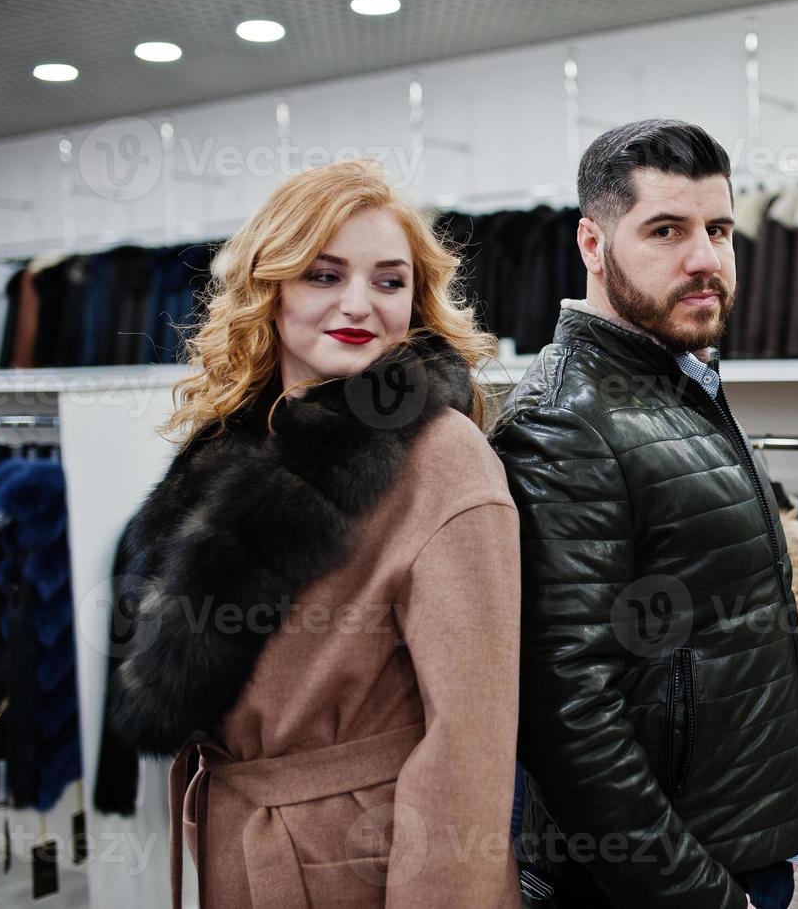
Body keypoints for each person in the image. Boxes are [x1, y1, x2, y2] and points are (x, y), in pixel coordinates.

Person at [102, 159, 523, 908]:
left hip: (357, 866)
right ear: (271, 288)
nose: (359, 304)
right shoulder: (237, 441)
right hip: (242, 843)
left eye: (389, 281)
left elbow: (470, 745)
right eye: (324, 276)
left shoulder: (440, 455)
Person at [494, 119, 798, 909]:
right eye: (666, 230)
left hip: (731, 852)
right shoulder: (565, 420)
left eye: (718, 229)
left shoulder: (673, 383)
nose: (704, 259)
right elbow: (567, 718)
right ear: (592, 244)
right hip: (657, 883)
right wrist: (704, 897)